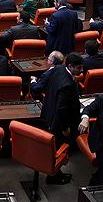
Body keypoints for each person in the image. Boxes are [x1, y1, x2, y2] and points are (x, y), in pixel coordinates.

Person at [30, 52, 83, 184]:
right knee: (58, 148)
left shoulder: (58, 69)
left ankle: (54, 173)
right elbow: (62, 108)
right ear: (70, 66)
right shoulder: (67, 85)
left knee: (54, 146)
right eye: (78, 68)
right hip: (58, 122)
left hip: (49, 112)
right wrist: (64, 127)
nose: (81, 70)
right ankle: (54, 176)